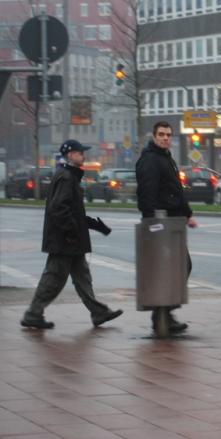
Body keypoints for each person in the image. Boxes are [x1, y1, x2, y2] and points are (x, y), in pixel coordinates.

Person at [20, 140, 123, 330]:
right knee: (53, 278)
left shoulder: (70, 176)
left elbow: (74, 211)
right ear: (70, 155)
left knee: (83, 277)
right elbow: (59, 209)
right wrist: (70, 234)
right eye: (80, 153)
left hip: (71, 241)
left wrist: (96, 226)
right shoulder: (67, 177)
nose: (83, 155)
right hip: (64, 241)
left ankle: (99, 312)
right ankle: (33, 314)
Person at [136, 121, 197, 333]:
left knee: (179, 267)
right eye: (161, 134)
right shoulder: (151, 160)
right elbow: (147, 194)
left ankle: (164, 313)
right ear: (154, 136)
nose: (165, 138)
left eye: (168, 135)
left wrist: (187, 214)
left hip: (171, 224)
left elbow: (175, 190)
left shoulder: (165, 158)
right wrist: (152, 222)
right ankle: (162, 315)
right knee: (177, 267)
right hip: (161, 225)